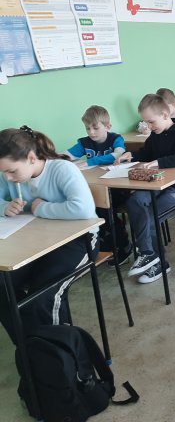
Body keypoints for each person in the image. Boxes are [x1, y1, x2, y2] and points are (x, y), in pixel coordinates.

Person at [0, 126, 99, 344]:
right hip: (37, 243)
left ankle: (55, 350)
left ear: (31, 158)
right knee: (2, 287)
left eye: (12, 171)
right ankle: (29, 347)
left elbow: (83, 209)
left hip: (79, 241)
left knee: (43, 297)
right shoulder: (10, 176)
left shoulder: (62, 169)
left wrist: (40, 208)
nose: (7, 177)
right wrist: (5, 207)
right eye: (3, 172)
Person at [116, 94, 175, 284]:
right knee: (135, 201)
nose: (149, 126)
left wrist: (159, 162)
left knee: (150, 215)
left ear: (164, 114)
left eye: (151, 122)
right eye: (146, 122)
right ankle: (150, 255)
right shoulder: (156, 134)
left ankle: (158, 263)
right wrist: (132, 155)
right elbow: (147, 153)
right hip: (157, 183)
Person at [65, 105, 130, 259]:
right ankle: (105, 242)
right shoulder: (84, 143)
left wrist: (90, 162)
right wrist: (49, 157)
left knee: (105, 211)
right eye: (87, 128)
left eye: (95, 128)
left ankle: (123, 244)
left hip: (117, 187)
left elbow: (117, 155)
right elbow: (67, 155)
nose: (91, 132)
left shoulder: (116, 139)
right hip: (96, 187)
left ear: (108, 126)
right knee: (90, 210)